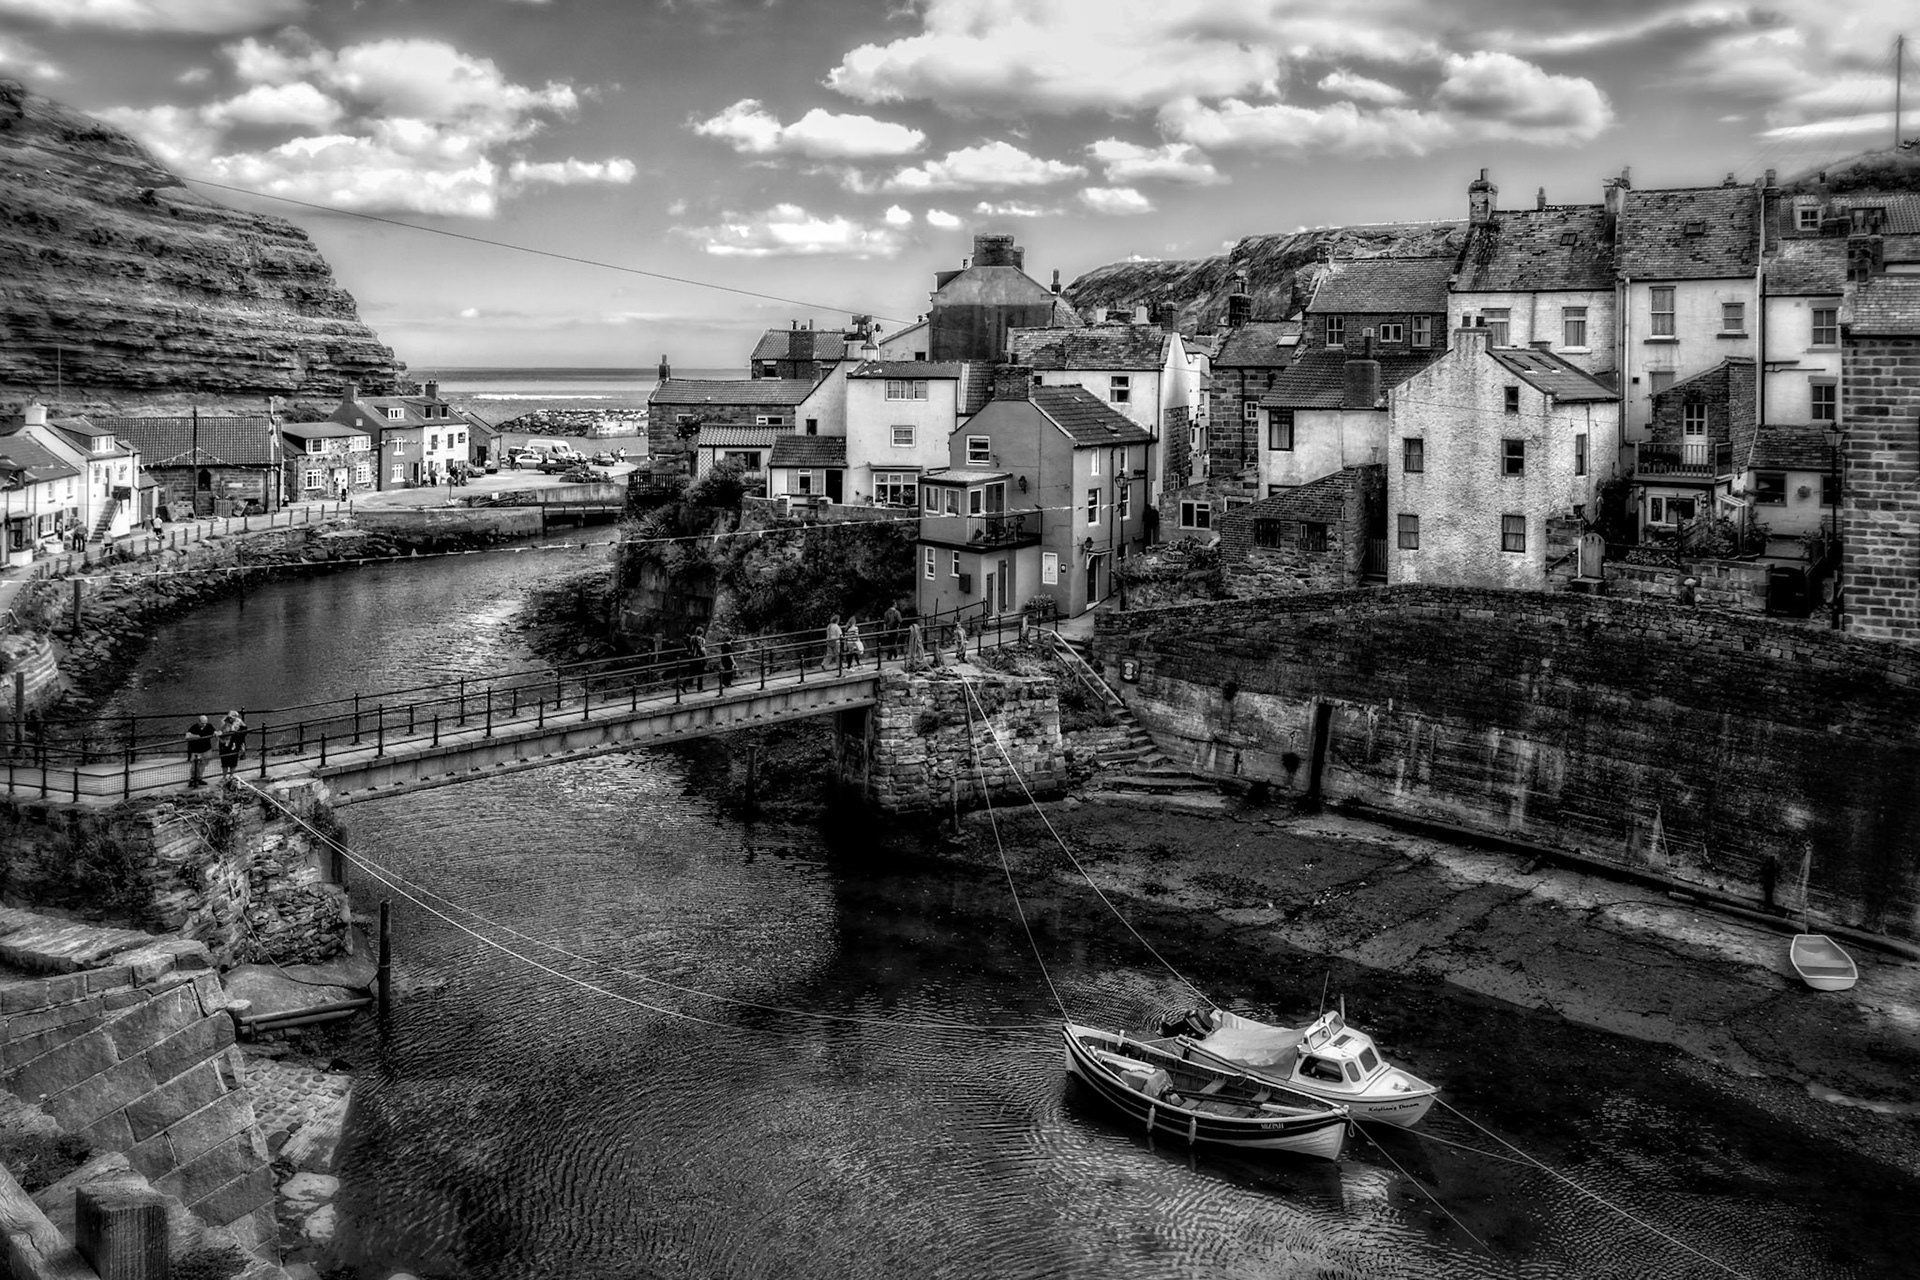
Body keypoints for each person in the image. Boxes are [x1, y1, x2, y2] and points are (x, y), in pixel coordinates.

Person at [183, 713, 215, 789]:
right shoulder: (194, 727)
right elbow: (187, 736)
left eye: (205, 723)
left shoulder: (209, 726)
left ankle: (199, 778)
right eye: (202, 723)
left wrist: (216, 733)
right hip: (196, 750)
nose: (204, 725)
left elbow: (214, 732)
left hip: (206, 749)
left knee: (203, 765)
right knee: (195, 766)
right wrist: (197, 737)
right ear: (199, 722)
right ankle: (192, 779)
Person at [217, 710, 248, 786]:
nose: (233, 719)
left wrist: (239, 738)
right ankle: (224, 776)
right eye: (231, 718)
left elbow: (244, 730)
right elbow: (219, 731)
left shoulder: (239, 721)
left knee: (233, 759)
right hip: (224, 742)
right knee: (224, 760)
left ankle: (231, 775)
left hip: (234, 742)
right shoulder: (223, 722)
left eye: (234, 717)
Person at [686, 625, 708, 692]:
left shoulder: (692, 638)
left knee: (692, 672)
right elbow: (702, 649)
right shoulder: (701, 640)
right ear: (702, 633)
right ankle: (700, 688)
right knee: (700, 673)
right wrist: (706, 656)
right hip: (699, 657)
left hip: (693, 657)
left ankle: (684, 684)